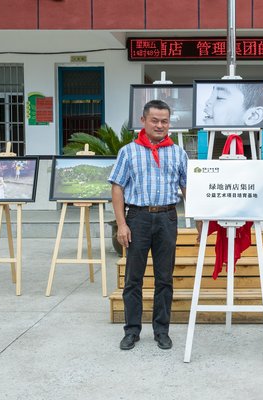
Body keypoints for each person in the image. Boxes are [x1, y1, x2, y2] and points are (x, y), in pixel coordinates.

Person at [108, 100, 188, 351]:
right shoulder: (128, 151)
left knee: (165, 278)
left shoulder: (178, 152)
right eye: (155, 120)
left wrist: (199, 220)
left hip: (167, 218)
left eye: (164, 121)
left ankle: (161, 330)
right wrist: (122, 224)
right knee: (134, 278)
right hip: (138, 219)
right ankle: (131, 330)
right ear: (143, 121)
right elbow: (117, 187)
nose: (160, 125)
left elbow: (187, 188)